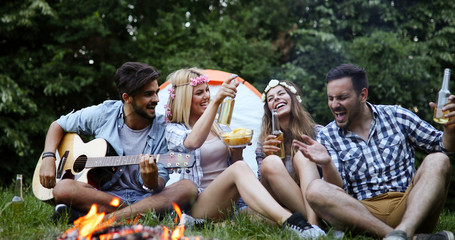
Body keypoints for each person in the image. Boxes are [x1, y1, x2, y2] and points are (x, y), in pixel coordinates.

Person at [293, 63, 454, 240]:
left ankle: (404, 232)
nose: (334, 104)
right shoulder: (328, 136)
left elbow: (444, 146)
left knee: (439, 159)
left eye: (342, 97)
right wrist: (327, 163)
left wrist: (450, 130)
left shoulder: (396, 115)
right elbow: (338, 190)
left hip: (411, 207)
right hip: (364, 214)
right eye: (330, 98)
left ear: (362, 95)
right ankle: (398, 237)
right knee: (315, 188)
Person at [163, 67, 326, 239]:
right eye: (199, 93)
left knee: (271, 215)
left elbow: (235, 167)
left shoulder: (220, 127)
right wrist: (216, 102)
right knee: (241, 169)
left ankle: (220, 224)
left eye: (207, 91)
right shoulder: (175, 129)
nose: (206, 96)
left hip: (232, 203)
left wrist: (237, 151)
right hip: (202, 202)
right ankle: (293, 223)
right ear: (185, 98)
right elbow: (192, 143)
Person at [39, 62, 198, 222]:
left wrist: (152, 181)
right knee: (63, 188)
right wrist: (48, 157)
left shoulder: (164, 128)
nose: (156, 99)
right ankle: (141, 215)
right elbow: (58, 125)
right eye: (148, 94)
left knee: (188, 188)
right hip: (104, 196)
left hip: (145, 198)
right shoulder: (104, 114)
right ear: (127, 98)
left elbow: (158, 185)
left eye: (156, 92)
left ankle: (100, 219)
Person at [256, 79, 324, 227]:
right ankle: (317, 223)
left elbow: (329, 175)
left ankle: (313, 225)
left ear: (293, 99)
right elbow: (263, 189)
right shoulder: (264, 142)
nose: (276, 99)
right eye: (271, 98)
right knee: (270, 162)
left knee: (302, 155)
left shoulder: (317, 132)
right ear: (268, 108)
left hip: (313, 197)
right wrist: (269, 156)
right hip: (281, 204)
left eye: (281, 94)